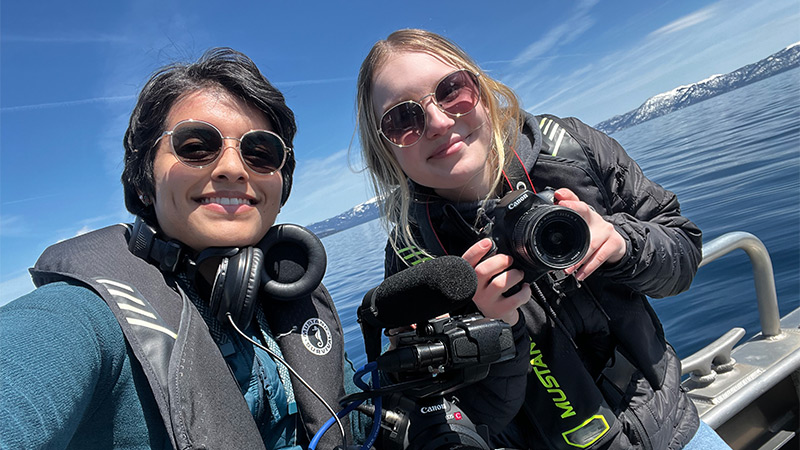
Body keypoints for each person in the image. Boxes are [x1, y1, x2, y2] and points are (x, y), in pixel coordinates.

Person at [356, 29, 731, 449]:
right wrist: (496, 331)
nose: (440, 123)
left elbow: (683, 256)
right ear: (385, 150)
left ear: (480, 89)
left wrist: (622, 244)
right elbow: (469, 420)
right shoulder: (415, 260)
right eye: (403, 120)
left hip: (673, 430)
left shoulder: (571, 152)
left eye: (451, 90)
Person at [0, 48, 360, 450]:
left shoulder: (292, 293)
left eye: (260, 153)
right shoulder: (80, 317)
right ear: (142, 181)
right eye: (195, 146)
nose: (233, 168)